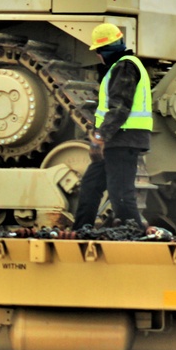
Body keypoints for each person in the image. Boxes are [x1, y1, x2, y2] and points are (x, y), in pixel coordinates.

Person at [72, 23, 152, 230]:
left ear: (106, 50)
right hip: (117, 139)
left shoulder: (125, 66)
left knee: (120, 193)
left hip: (124, 138)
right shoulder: (119, 67)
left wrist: (100, 137)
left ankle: (135, 234)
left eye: (98, 51)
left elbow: (119, 107)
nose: (98, 56)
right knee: (90, 185)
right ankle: (82, 230)